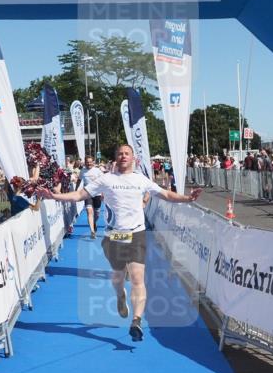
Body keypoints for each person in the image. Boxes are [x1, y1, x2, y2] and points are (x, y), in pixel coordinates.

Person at [36, 144, 202, 342]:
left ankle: (137, 321)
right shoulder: (105, 179)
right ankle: (120, 296)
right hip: (114, 236)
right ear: (116, 158)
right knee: (118, 276)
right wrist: (55, 196)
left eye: (127, 154)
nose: (123, 156)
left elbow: (165, 194)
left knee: (138, 277)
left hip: (137, 234)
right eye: (120, 154)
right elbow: (80, 195)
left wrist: (187, 198)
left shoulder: (141, 180)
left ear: (133, 158)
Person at [78, 155, 103, 239]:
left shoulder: (97, 171)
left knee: (97, 214)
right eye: (87, 162)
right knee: (89, 212)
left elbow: (103, 181)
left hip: (97, 194)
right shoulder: (82, 171)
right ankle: (92, 231)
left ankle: (94, 223)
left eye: (90, 162)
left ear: (93, 162)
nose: (88, 163)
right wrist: (76, 189)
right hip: (87, 194)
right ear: (85, 163)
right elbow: (79, 180)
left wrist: (104, 192)